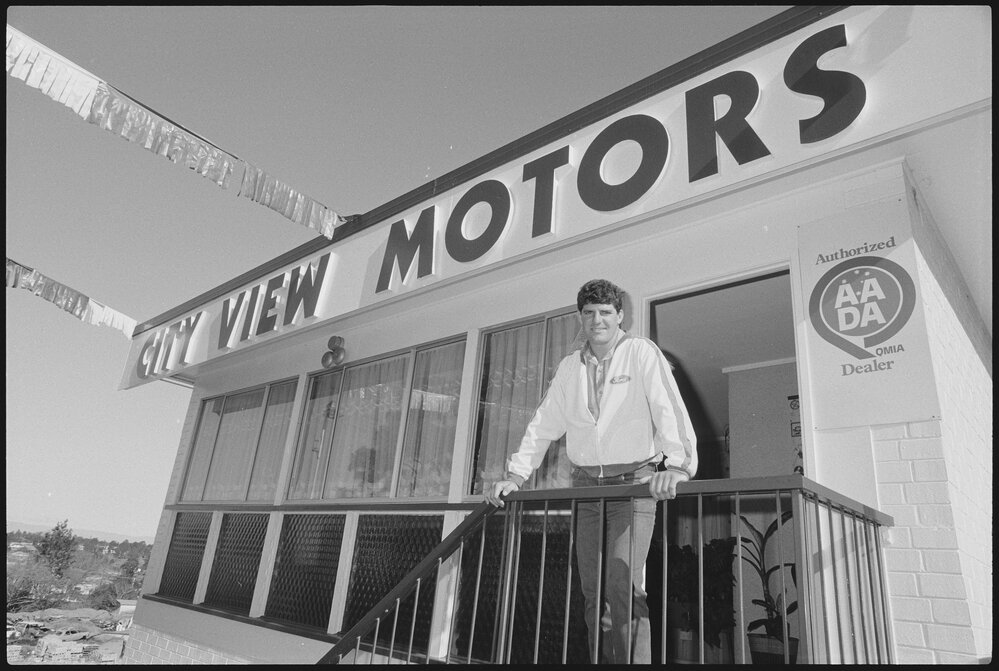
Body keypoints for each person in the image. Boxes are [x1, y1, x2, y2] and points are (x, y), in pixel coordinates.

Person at [485, 278, 697, 664]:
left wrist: (677, 465)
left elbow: (669, 408)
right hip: (585, 489)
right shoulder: (570, 367)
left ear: (619, 316)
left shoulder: (640, 352)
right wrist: (515, 475)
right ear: (580, 318)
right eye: (588, 313)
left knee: (623, 587)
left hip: (633, 486)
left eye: (605, 312)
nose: (596, 320)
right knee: (592, 592)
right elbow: (544, 424)